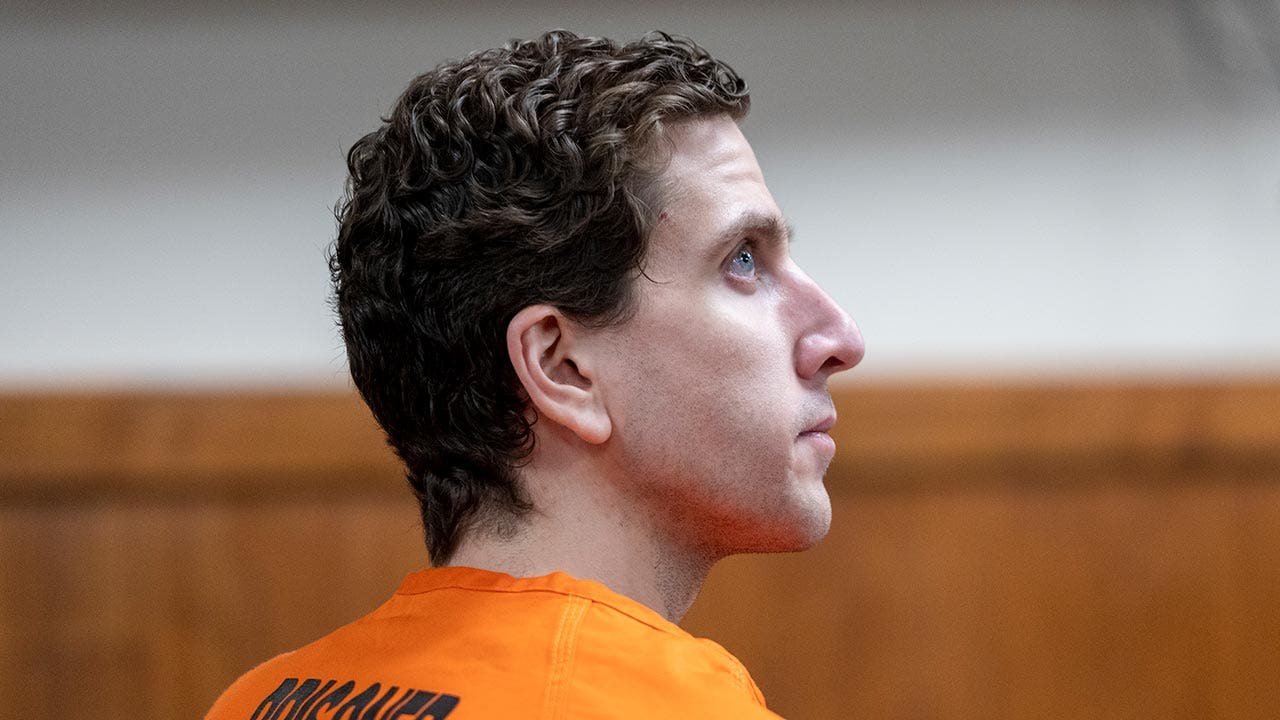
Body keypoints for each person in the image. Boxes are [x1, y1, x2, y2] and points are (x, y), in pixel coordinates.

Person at [206, 29, 862, 720]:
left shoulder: (256, 701)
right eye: (743, 260)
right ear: (562, 367)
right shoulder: (673, 708)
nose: (841, 340)